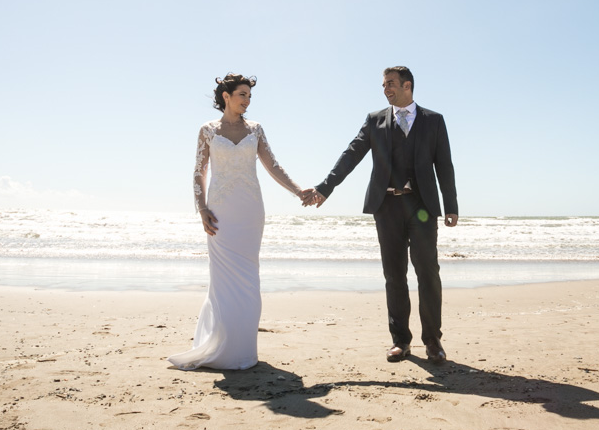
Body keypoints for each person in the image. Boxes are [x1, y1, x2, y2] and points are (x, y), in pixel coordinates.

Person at [300, 66, 458, 363]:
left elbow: (444, 164)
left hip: (422, 207)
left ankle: (433, 341)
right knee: (394, 275)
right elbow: (351, 154)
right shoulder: (375, 121)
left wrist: (450, 205)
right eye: (383, 84)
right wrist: (325, 187)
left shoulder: (434, 121)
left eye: (391, 84)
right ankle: (401, 341)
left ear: (407, 85)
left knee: (428, 273)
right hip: (386, 207)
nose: (386, 89)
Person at [168, 73, 309, 371]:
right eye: (242, 94)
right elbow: (198, 171)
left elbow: (273, 165)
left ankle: (243, 351)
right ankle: (219, 344)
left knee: (248, 279)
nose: (246, 100)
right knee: (222, 281)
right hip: (220, 212)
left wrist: (298, 190)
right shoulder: (207, 130)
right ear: (226, 97)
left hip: (249, 211)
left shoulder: (256, 130)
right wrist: (201, 207)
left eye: (249, 96)